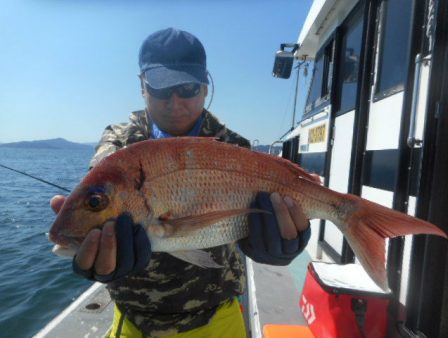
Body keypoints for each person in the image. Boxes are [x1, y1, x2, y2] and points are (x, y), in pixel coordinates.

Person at [50, 27, 311, 338]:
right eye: (160, 89)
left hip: (217, 318)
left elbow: (248, 222)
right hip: (135, 322)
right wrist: (96, 241)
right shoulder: (119, 143)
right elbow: (103, 178)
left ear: (204, 86)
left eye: (186, 88)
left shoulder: (234, 148)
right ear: (142, 86)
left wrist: (277, 245)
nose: (174, 102)